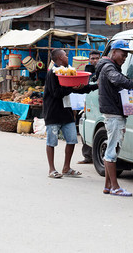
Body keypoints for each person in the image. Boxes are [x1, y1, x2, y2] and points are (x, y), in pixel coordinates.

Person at [43, 49, 98, 178]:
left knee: (72, 140)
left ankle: (66, 168)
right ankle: (52, 169)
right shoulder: (52, 73)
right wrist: (71, 88)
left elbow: (79, 88)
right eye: (65, 55)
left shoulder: (67, 72)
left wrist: (95, 86)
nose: (67, 57)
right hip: (53, 112)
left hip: (66, 111)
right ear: (60, 58)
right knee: (52, 142)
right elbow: (57, 93)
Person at [96, 40, 133, 196]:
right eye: (123, 53)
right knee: (112, 151)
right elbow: (117, 79)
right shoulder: (109, 68)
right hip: (114, 114)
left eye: (126, 55)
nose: (125, 57)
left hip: (113, 112)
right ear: (113, 52)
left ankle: (108, 186)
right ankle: (115, 187)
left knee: (112, 149)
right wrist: (132, 85)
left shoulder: (108, 66)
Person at [78, 50, 101, 164]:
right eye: (92, 58)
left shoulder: (104, 68)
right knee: (86, 126)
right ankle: (88, 156)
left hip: (100, 101)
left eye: (97, 58)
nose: (94, 61)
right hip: (90, 101)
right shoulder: (88, 69)